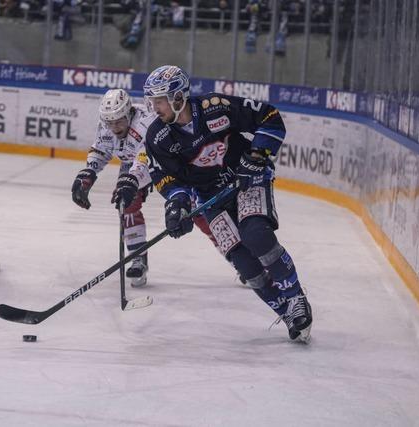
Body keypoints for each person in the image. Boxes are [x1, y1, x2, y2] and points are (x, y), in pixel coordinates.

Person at [113, 65, 313, 342]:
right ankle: (285, 309)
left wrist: (257, 155)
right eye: (151, 101)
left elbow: (269, 117)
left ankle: (296, 298)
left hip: (246, 179)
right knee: (245, 263)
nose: (153, 107)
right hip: (208, 197)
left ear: (178, 97)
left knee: (256, 235)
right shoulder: (158, 135)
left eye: (159, 100)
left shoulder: (215, 106)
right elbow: (167, 177)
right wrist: (177, 204)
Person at [71, 89, 152, 287]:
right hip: (132, 163)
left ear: (129, 113)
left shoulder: (145, 123)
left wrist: (132, 179)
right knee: (127, 205)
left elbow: (145, 158)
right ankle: (138, 258)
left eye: (118, 122)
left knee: (198, 211)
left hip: (160, 162)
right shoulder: (106, 124)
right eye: (110, 122)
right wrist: (88, 173)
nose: (114, 128)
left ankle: (238, 259)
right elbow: (101, 149)